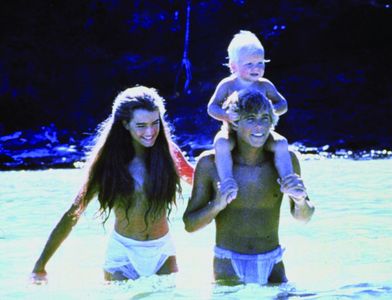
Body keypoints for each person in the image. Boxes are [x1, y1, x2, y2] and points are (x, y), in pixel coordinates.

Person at [30, 86, 194, 283]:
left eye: (155, 123)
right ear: (125, 124)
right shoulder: (108, 164)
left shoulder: (169, 154)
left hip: (162, 252)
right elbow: (73, 214)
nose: (150, 131)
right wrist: (40, 266)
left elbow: (200, 182)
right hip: (123, 253)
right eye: (141, 125)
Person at [184, 89, 315, 285]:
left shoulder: (286, 161)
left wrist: (300, 199)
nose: (259, 126)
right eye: (251, 118)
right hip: (228, 265)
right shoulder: (210, 164)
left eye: (264, 118)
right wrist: (217, 205)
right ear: (235, 123)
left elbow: (304, 218)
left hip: (274, 265)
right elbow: (189, 225)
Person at [207, 30, 293, 203]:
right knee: (221, 143)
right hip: (233, 132)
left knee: (282, 143)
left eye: (260, 63)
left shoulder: (265, 85)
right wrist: (227, 116)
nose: (256, 68)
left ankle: (289, 182)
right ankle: (227, 182)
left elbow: (283, 104)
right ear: (233, 66)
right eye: (249, 64)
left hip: (262, 135)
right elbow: (211, 107)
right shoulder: (228, 85)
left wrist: (270, 111)